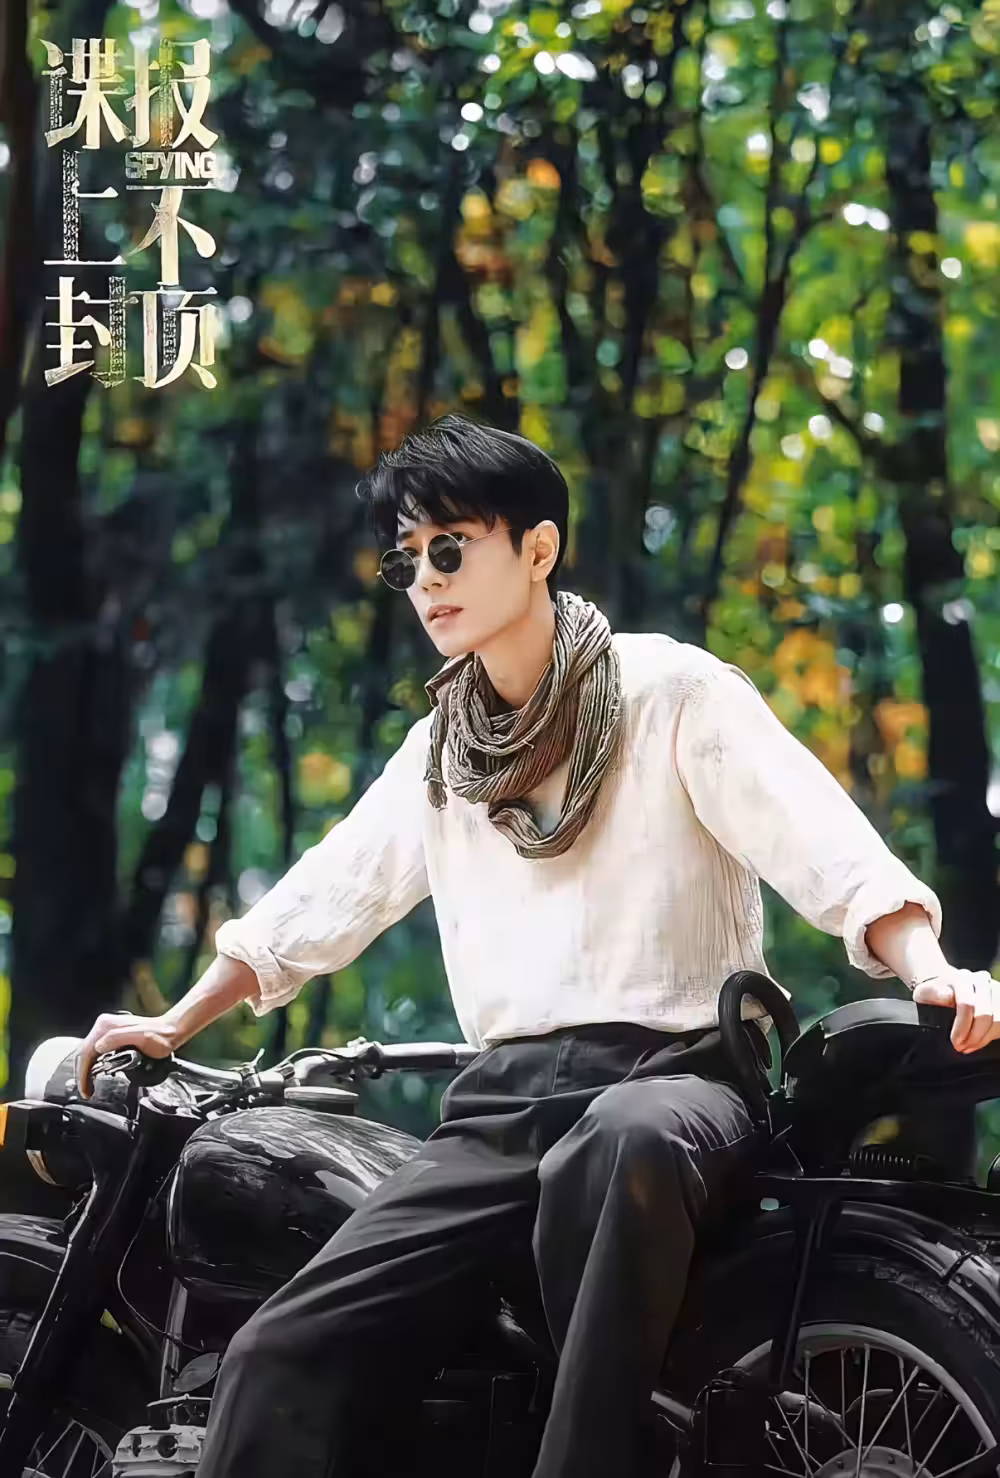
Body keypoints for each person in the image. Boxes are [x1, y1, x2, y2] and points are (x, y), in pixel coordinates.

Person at [79, 414, 1000, 1478]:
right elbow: (321, 900)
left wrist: (933, 970)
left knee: (619, 1145)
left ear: (537, 547)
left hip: (678, 1080)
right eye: (405, 560)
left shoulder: (672, 691)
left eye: (449, 547)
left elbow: (828, 848)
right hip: (498, 1114)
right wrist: (175, 1020)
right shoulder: (441, 750)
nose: (425, 580)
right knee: (284, 1350)